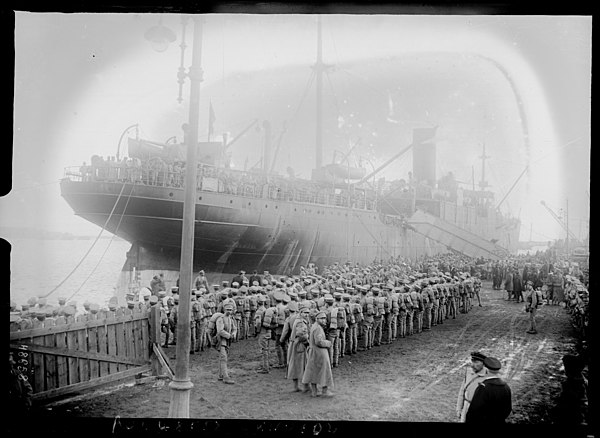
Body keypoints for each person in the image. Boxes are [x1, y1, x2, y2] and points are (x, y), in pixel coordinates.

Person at [465, 356, 512, 424]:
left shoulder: (483, 387)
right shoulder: (506, 386)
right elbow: (507, 410)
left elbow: (474, 412)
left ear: (486, 369)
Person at [301, 311, 334, 397]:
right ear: (316, 319)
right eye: (322, 318)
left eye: (325, 318)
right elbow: (319, 342)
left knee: (313, 371)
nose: (324, 320)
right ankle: (325, 391)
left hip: (313, 351)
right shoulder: (318, 328)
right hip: (320, 352)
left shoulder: (314, 326)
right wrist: (328, 343)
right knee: (325, 370)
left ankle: (314, 392)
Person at [553, 354, 588, 425]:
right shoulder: (581, 381)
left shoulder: (573, 384)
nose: (565, 370)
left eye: (566, 367)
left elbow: (572, 402)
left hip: (572, 417)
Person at [456, 351, 489, 422]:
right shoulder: (468, 372)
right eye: (472, 361)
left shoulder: (488, 376)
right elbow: (462, 391)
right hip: (466, 407)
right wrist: (459, 409)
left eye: (476, 362)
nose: (472, 365)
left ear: (483, 364)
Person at [286, 304, 311, 392]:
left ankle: (296, 386)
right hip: (300, 345)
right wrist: (307, 343)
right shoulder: (300, 322)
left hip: (295, 344)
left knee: (295, 365)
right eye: (305, 313)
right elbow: (302, 335)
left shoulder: (298, 320)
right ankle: (305, 386)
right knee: (303, 365)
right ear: (300, 312)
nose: (307, 314)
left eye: (308, 312)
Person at [215, 301, 237, 384]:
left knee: (223, 357)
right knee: (224, 358)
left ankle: (221, 375)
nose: (229, 311)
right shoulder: (220, 319)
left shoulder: (231, 319)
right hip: (221, 340)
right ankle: (226, 377)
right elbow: (220, 331)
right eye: (227, 309)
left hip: (227, 341)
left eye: (231, 310)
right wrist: (229, 335)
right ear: (224, 309)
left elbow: (234, 328)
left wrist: (234, 334)